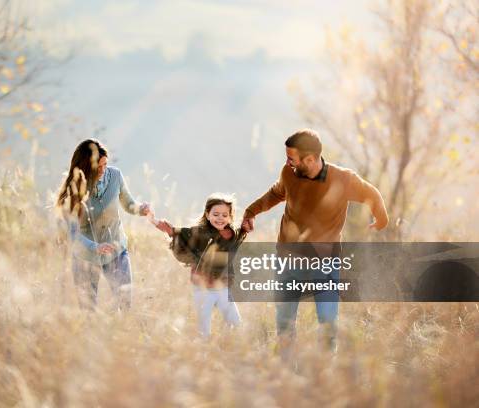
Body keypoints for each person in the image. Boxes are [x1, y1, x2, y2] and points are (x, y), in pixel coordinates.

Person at [241, 129, 389, 354]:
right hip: (287, 261)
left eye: (291, 158)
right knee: (284, 323)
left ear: (309, 159)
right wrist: (251, 212)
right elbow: (276, 193)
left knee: (328, 323)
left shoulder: (343, 179)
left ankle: (325, 372)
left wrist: (382, 219)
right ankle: (287, 371)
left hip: (325, 263)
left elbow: (373, 194)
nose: (287, 162)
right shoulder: (289, 173)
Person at [57, 139, 150, 311]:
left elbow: (128, 203)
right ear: (85, 167)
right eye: (97, 167)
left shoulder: (115, 176)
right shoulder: (74, 189)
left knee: (124, 305)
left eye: (105, 165)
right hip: (85, 257)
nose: (102, 170)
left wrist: (140, 209)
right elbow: (72, 234)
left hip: (116, 251)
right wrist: (95, 247)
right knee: (88, 311)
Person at [155, 193, 246, 338]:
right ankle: (203, 351)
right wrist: (168, 229)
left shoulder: (232, 235)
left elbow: (241, 233)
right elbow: (181, 233)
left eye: (224, 215)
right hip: (202, 288)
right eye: (215, 214)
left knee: (235, 323)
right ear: (207, 214)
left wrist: (246, 227)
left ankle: (230, 345)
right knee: (203, 328)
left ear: (230, 216)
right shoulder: (199, 233)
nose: (220, 218)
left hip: (222, 287)